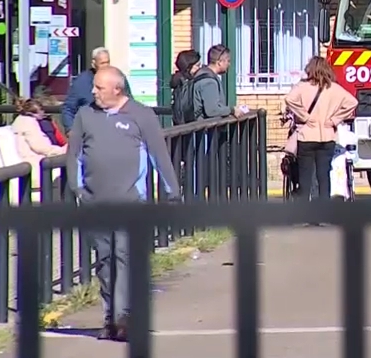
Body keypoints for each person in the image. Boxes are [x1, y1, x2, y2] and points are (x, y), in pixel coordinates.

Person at [65, 66, 180, 342]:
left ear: (117, 89)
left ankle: (124, 319)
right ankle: (110, 318)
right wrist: (78, 190)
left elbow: (159, 156)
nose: (93, 92)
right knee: (105, 263)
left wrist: (172, 193)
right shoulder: (85, 115)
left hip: (131, 202)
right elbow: (74, 155)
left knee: (125, 259)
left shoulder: (141, 115)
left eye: (99, 88)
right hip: (95, 203)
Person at [284, 56, 357, 205]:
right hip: (327, 137)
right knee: (323, 176)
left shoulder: (302, 87)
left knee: (305, 177)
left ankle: (303, 210)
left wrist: (304, 116)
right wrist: (335, 119)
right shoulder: (334, 88)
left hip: (306, 137)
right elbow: (353, 102)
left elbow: (289, 99)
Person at [62, 47, 133, 131]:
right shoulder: (81, 82)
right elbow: (69, 108)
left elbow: (129, 102)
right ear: (94, 64)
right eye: (102, 63)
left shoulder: (117, 78)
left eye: (107, 62)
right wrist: (70, 131)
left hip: (116, 128)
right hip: (89, 130)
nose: (106, 66)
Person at [192, 45, 245, 120]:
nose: (229, 64)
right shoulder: (209, 82)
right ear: (219, 62)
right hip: (203, 125)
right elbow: (212, 110)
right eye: (228, 61)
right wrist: (232, 110)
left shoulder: (203, 75)